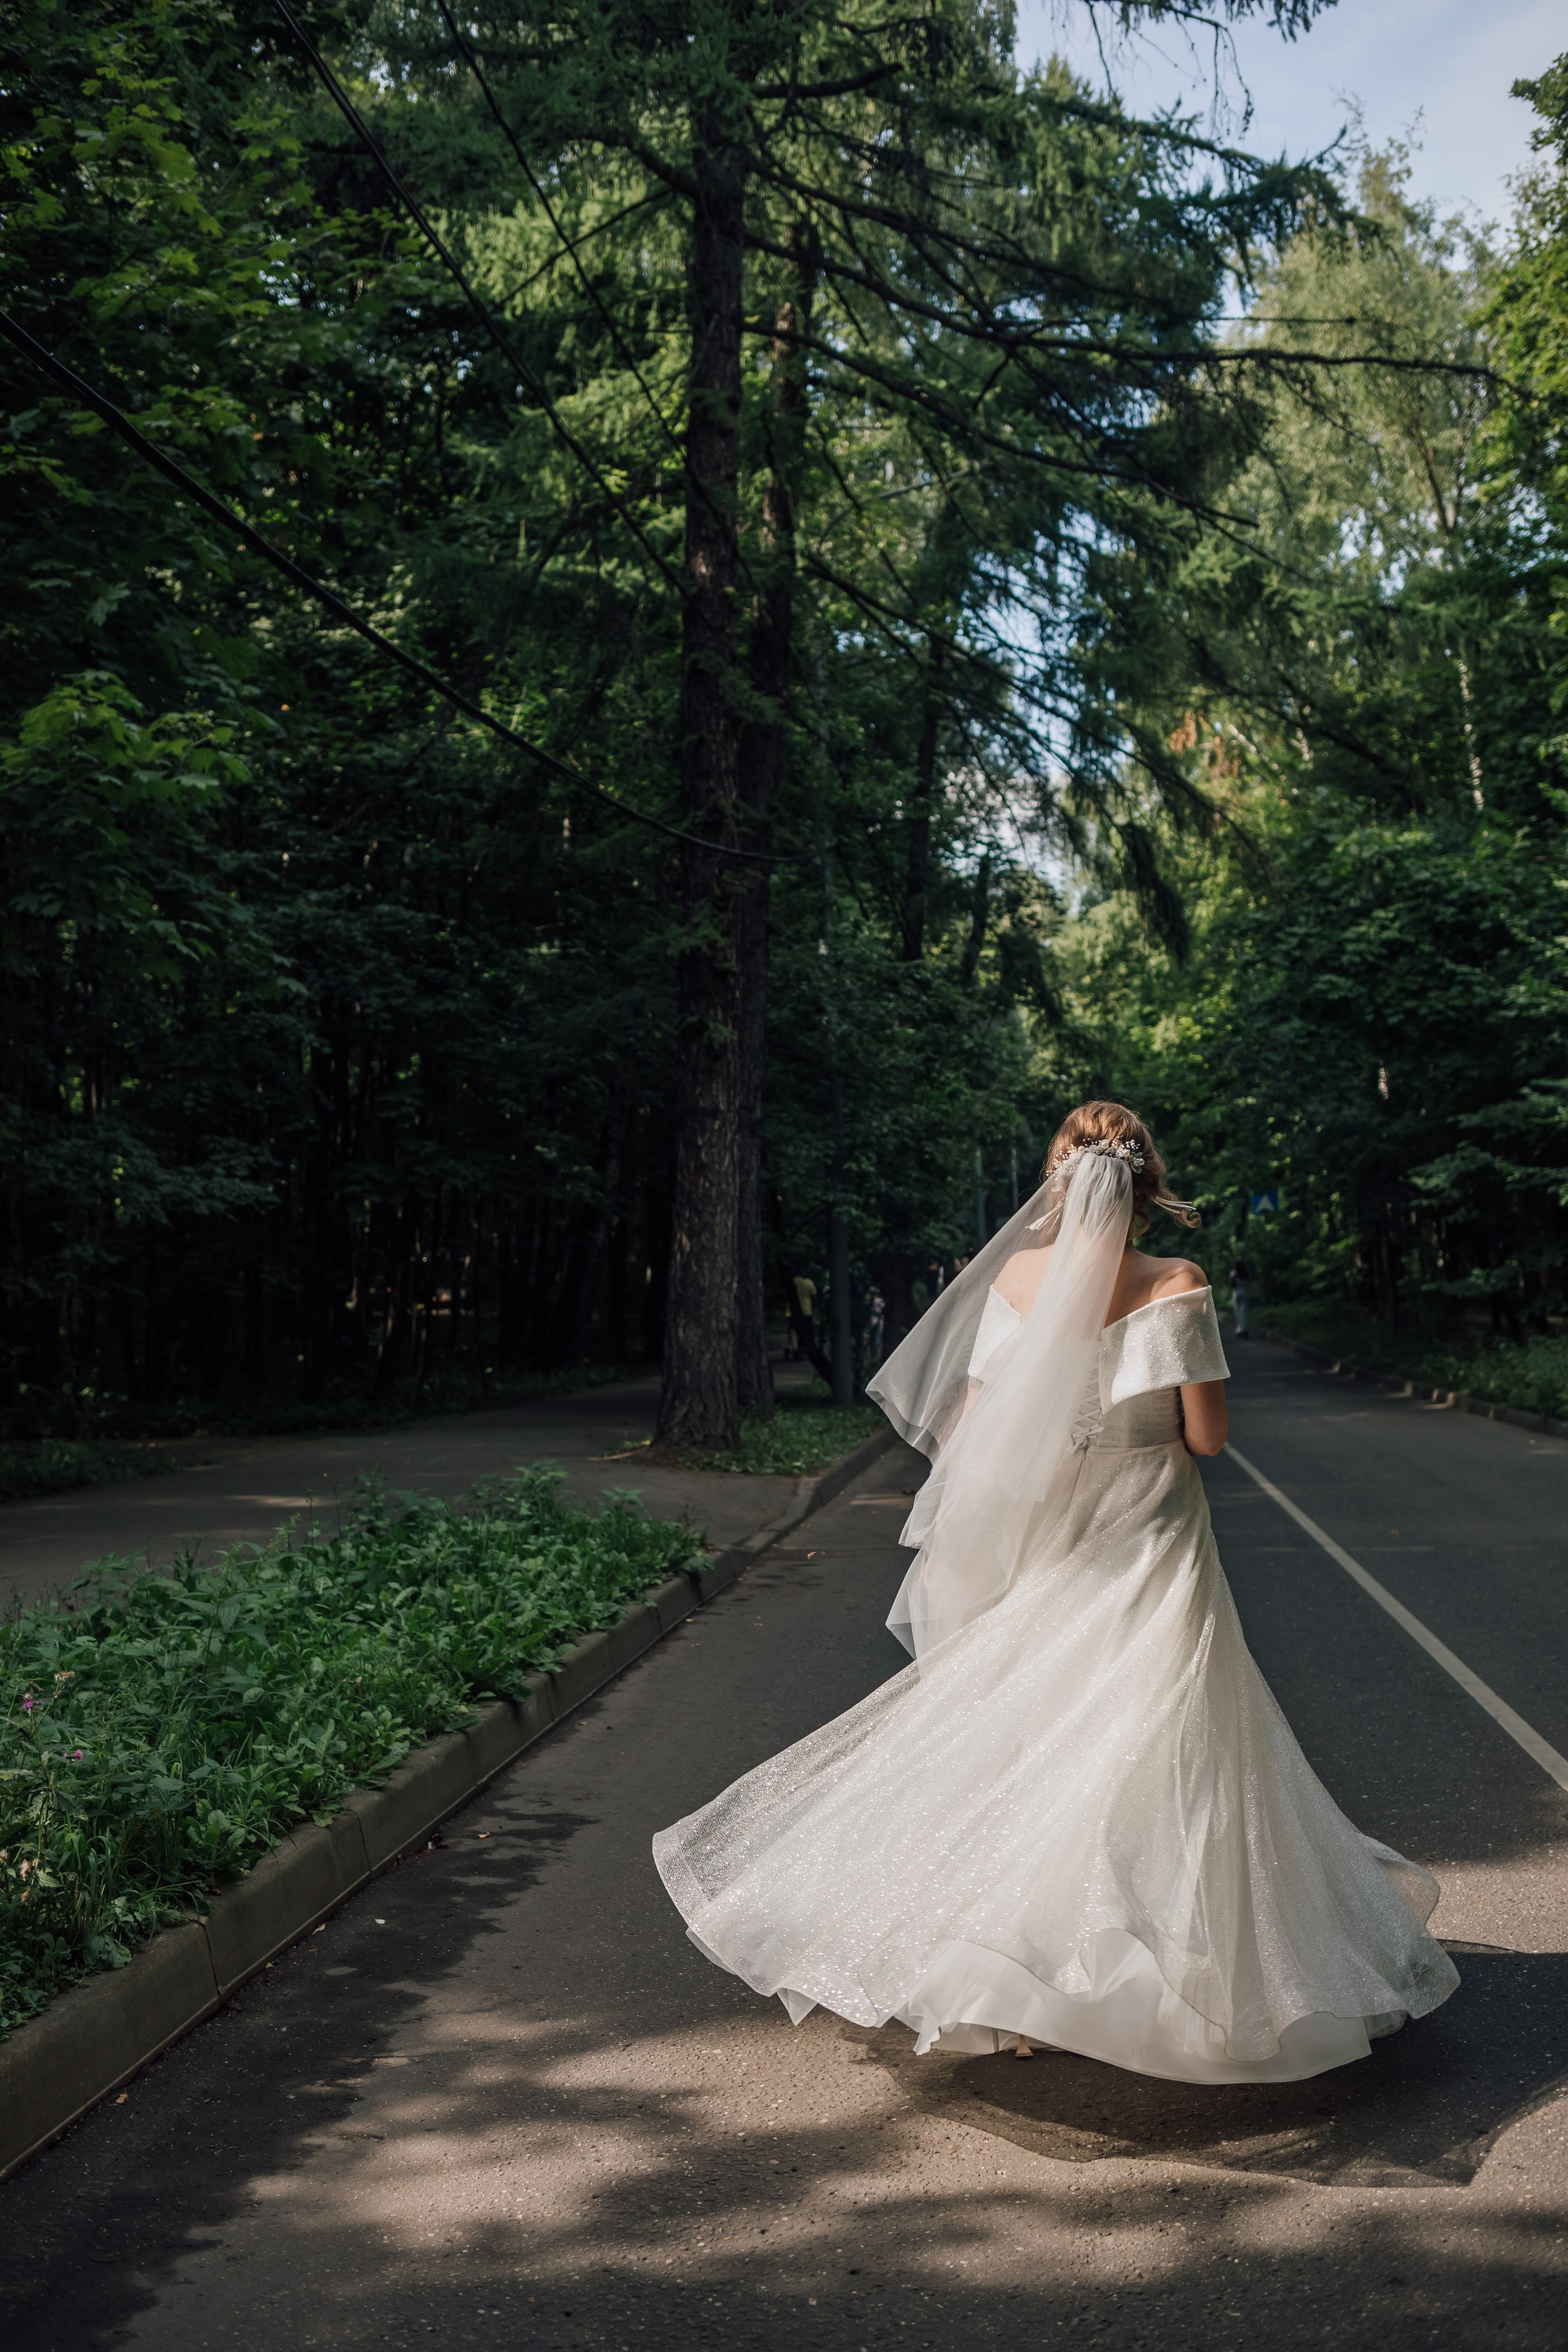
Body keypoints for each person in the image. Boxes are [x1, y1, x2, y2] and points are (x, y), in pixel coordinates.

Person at [654, 1101, 1457, 2083]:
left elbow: (979, 1432)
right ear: (1149, 1184)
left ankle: (1019, 1990)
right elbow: (1206, 1439)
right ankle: (1164, 1975)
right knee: (1166, 1732)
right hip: (1153, 1526)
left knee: (1036, 1732)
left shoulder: (1017, 1281)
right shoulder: (1178, 1282)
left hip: (1050, 1525)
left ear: (1054, 1186)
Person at [786, 1272, 817, 1362]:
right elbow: (814, 1296)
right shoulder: (808, 1283)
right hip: (806, 1310)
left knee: (794, 1331)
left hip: (792, 1311)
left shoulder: (791, 1283)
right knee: (806, 1330)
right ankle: (805, 1349)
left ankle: (795, 1349)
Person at [1229, 1255, 1252, 1338]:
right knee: (1244, 1312)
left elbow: (1232, 1284)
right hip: (1244, 1292)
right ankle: (1245, 1329)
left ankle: (1239, 1329)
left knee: (1238, 1312)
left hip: (1237, 1293)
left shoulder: (1234, 1274)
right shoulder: (1246, 1273)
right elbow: (1249, 1283)